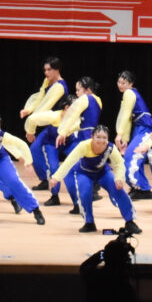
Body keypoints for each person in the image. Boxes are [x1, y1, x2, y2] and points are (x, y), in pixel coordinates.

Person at [50, 124, 142, 234]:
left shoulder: (110, 148)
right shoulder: (83, 146)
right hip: (84, 173)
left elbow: (119, 164)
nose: (101, 140)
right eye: (98, 137)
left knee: (119, 190)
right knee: (84, 194)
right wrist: (56, 177)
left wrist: (119, 178)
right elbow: (69, 162)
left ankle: (130, 221)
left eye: (104, 138)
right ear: (92, 137)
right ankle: (89, 223)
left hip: (103, 172)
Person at [20, 57, 68, 191]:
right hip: (52, 124)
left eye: (49, 69)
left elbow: (45, 106)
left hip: (60, 126)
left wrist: (31, 127)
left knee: (64, 155)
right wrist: (29, 109)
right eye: (45, 70)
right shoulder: (47, 81)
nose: (46, 72)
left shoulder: (59, 87)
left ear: (57, 70)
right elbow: (40, 98)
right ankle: (45, 179)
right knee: (34, 150)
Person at [55, 76, 103, 213]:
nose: (76, 93)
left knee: (70, 171)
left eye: (78, 90)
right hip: (94, 137)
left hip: (85, 139)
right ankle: (91, 190)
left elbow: (72, 114)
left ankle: (80, 202)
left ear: (87, 90)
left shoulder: (85, 98)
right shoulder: (98, 100)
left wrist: (63, 131)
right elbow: (83, 122)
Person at [114, 70, 152, 200]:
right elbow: (128, 119)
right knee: (136, 158)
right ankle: (141, 188)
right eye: (119, 82)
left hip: (145, 128)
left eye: (124, 83)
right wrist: (125, 139)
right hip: (140, 128)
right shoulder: (130, 93)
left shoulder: (129, 93)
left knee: (130, 157)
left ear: (130, 84)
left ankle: (142, 189)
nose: (120, 85)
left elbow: (125, 115)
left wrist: (120, 134)